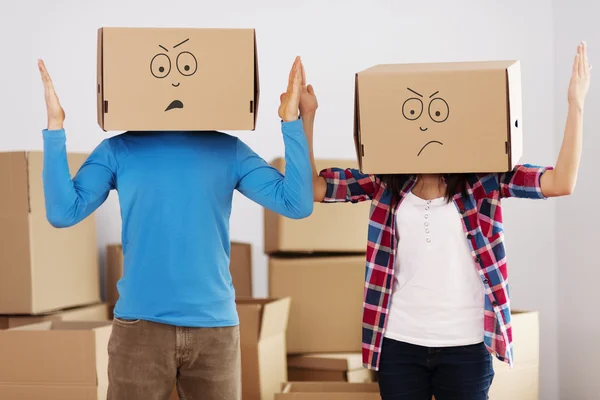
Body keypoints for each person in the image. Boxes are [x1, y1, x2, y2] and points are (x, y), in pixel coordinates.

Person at [300, 42, 591, 399]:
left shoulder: (485, 181)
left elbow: (560, 182)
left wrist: (575, 105)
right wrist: (306, 119)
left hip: (466, 345)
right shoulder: (384, 182)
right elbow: (313, 187)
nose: (425, 125)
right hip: (399, 343)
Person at [38, 56, 314, 400]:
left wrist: (292, 122)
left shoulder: (228, 150)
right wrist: (54, 128)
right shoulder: (119, 149)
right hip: (140, 329)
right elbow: (63, 212)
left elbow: (296, 204)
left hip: (215, 330)